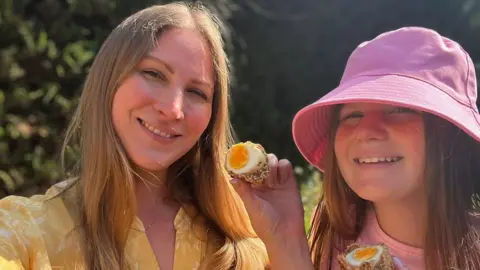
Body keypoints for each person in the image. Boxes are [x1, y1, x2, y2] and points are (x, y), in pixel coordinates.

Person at [0, 2, 269, 269]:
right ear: (109, 78)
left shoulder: (250, 241)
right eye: (154, 74)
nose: (173, 109)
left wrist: (287, 233)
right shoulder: (22, 232)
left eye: (197, 92)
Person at [232, 26, 480, 270]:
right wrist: (285, 241)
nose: (366, 131)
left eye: (399, 110)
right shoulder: (335, 234)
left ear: (451, 134)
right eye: (352, 115)